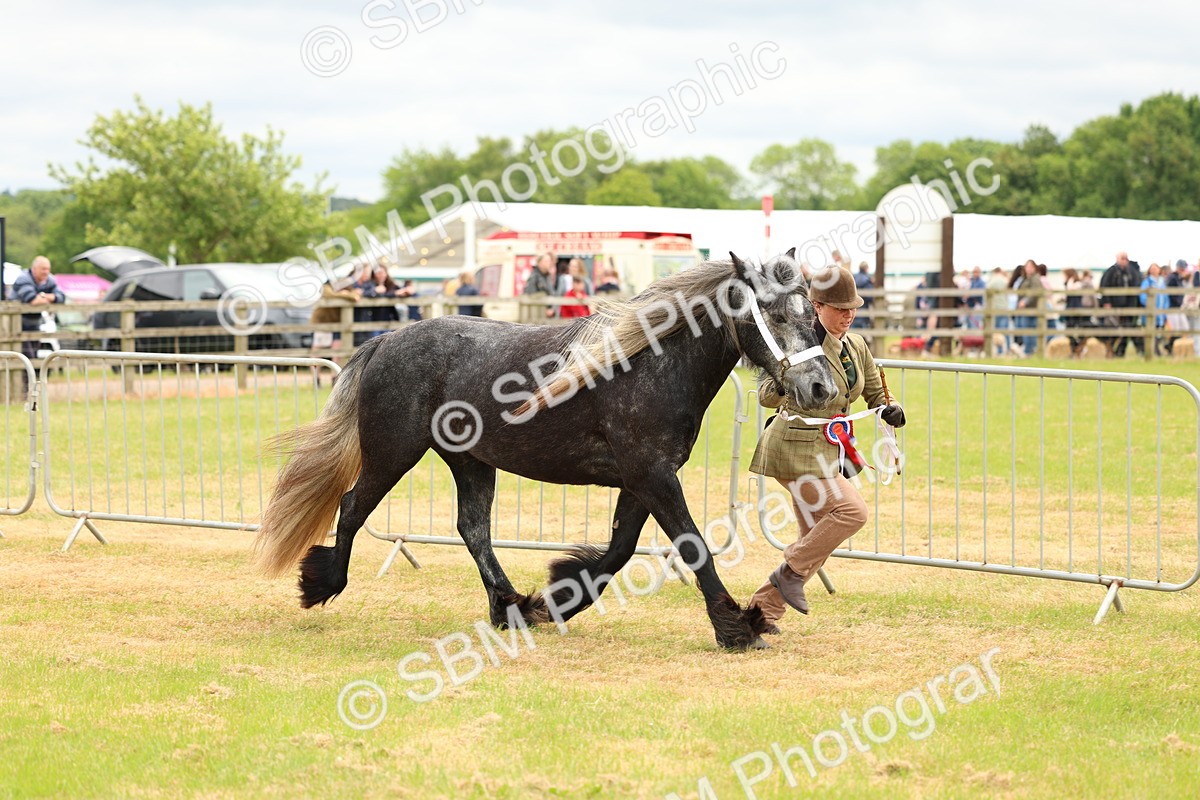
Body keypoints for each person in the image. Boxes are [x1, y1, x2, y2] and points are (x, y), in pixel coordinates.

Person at [748, 267, 906, 630]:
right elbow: (765, 397)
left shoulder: (857, 346)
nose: (848, 315)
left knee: (814, 543)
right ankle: (788, 573)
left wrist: (892, 408)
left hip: (829, 452)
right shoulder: (800, 345)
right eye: (840, 309)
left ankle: (759, 614)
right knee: (851, 513)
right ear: (816, 306)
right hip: (793, 448)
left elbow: (876, 392)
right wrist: (790, 378)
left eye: (853, 308)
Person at [12, 256, 66, 360]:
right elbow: (33, 300)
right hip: (16, 324)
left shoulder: (49, 279)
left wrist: (42, 296)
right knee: (27, 357)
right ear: (34, 269)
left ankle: (32, 376)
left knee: (34, 355)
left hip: (34, 323)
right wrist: (50, 297)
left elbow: (61, 297)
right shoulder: (23, 278)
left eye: (48, 269)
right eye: (43, 269)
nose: (46, 272)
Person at [1099, 251, 1144, 357]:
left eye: (1125, 259)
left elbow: (1137, 286)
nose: (1124, 261)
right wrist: (1107, 302)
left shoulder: (1131, 272)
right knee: (1118, 330)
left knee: (1128, 329)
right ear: (1117, 259)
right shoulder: (1111, 272)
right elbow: (1104, 287)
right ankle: (1117, 352)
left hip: (1129, 307)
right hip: (1115, 307)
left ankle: (1121, 352)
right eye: (1122, 258)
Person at [361, 263, 401, 337]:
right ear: (374, 274)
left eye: (383, 273)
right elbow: (363, 293)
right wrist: (375, 290)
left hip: (389, 320)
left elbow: (399, 291)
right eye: (379, 273)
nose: (381, 275)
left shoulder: (390, 284)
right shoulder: (369, 284)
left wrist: (406, 291)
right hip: (373, 320)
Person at [1139, 262, 1169, 356]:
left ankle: (1155, 351)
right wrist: (1150, 305)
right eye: (1152, 268)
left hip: (1161, 313)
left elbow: (1165, 297)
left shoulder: (1162, 282)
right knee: (1150, 333)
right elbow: (1143, 296)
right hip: (1150, 313)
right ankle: (1153, 352)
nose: (1154, 270)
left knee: (1159, 332)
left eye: (1156, 268)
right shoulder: (1147, 282)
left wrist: (1165, 310)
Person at [985, 267, 1012, 354]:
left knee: (996, 332)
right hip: (1004, 308)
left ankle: (999, 351)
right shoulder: (1005, 280)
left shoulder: (991, 281)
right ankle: (1007, 350)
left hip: (994, 309)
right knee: (1004, 331)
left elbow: (987, 291)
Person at [851, 261, 873, 330]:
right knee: (863, 331)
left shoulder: (853, 278)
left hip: (853, 309)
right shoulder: (867, 280)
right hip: (864, 309)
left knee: (852, 331)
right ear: (866, 269)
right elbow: (870, 297)